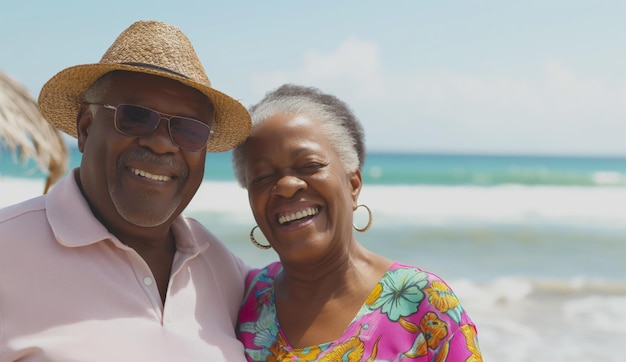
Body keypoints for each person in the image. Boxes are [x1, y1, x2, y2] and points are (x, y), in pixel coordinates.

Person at [0, 21, 252, 361]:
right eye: (135, 117)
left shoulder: (225, 270)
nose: (162, 144)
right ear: (86, 128)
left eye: (189, 131)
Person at [232, 84, 483, 361]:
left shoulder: (425, 304)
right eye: (262, 176)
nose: (287, 185)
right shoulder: (247, 299)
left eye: (310, 166)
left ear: (353, 184)